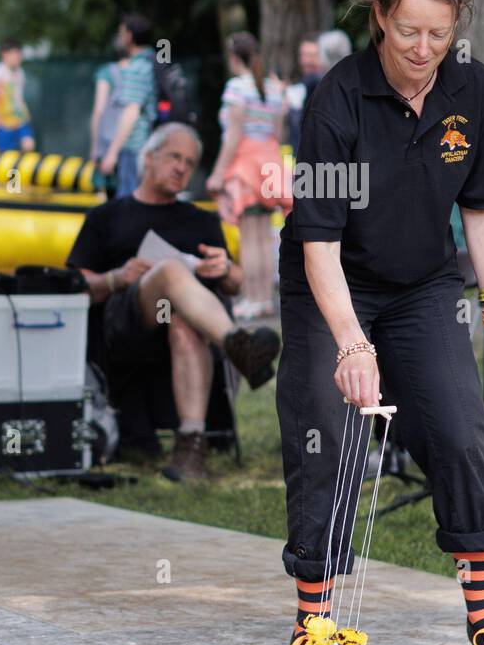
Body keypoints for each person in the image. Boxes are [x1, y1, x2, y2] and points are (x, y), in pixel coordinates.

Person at [277, 0, 484, 645]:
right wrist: (351, 343)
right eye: (408, 32)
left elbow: (482, 208)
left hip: (424, 287)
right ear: (379, 20)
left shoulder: (474, 90)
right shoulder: (335, 101)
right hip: (331, 286)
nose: (423, 49)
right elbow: (318, 242)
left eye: (439, 33)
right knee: (326, 438)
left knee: (462, 430)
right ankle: (314, 623)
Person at [68, 122, 281, 480]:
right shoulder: (107, 216)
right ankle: (236, 344)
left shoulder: (200, 219)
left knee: (183, 323)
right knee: (169, 270)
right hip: (125, 323)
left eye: (190, 162)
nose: (182, 167)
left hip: (184, 320)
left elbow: (234, 283)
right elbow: (76, 283)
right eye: (174, 157)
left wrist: (225, 268)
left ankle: (191, 445)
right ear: (149, 158)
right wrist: (115, 277)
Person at [206, 31, 292, 320]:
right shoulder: (272, 89)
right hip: (269, 163)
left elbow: (233, 136)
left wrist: (217, 174)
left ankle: (253, 298)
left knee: (249, 236)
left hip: (244, 165)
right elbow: (278, 134)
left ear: (233, 57)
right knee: (266, 237)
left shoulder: (236, 88)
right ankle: (266, 299)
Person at [99, 14, 156, 198]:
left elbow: (131, 111)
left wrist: (112, 152)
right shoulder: (155, 61)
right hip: (152, 144)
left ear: (129, 36)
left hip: (135, 148)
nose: (119, 37)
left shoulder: (137, 67)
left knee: (128, 205)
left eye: (121, 33)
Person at [89, 40, 131, 195]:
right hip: (135, 143)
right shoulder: (144, 71)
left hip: (109, 141)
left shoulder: (107, 73)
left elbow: (99, 110)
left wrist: (95, 147)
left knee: (112, 196)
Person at [0, 41, 35, 152]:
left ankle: (22, 167)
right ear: (5, 54)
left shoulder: (20, 72)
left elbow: (17, 96)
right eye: (15, 54)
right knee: (7, 154)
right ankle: (14, 169)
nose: (19, 57)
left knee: (28, 145)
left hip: (19, 119)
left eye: (19, 54)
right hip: (4, 122)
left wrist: (25, 111)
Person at [285, 34, 324, 156]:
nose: (306, 61)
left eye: (311, 56)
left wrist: (282, 91)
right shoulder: (304, 83)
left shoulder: (319, 80)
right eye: (303, 55)